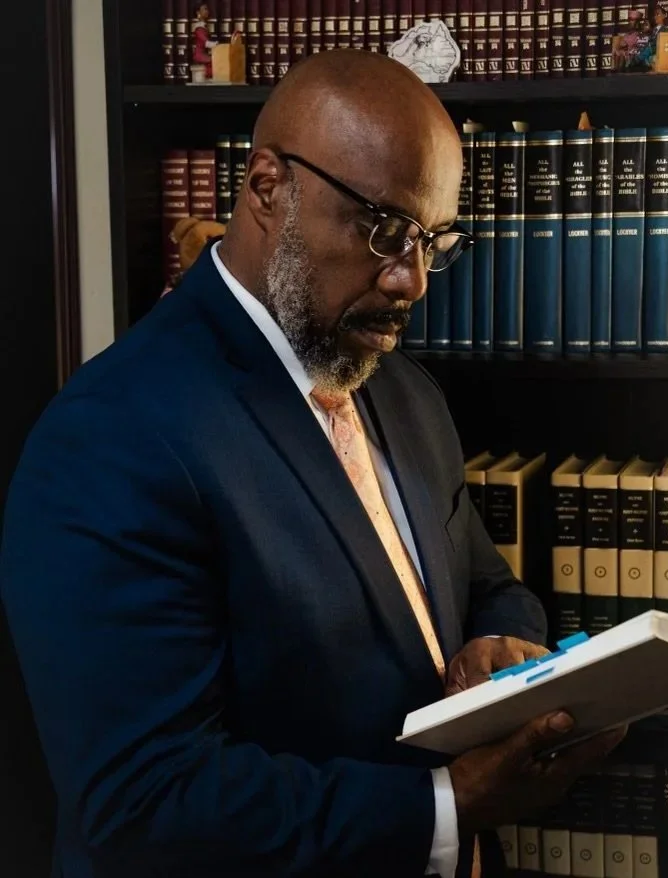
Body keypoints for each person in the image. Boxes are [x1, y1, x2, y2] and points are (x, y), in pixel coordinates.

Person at [0, 49, 625, 878]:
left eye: (434, 242)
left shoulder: (406, 395)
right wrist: (452, 805)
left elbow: (485, 586)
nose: (412, 281)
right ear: (267, 187)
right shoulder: (109, 437)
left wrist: (499, 645)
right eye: (384, 230)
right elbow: (143, 803)